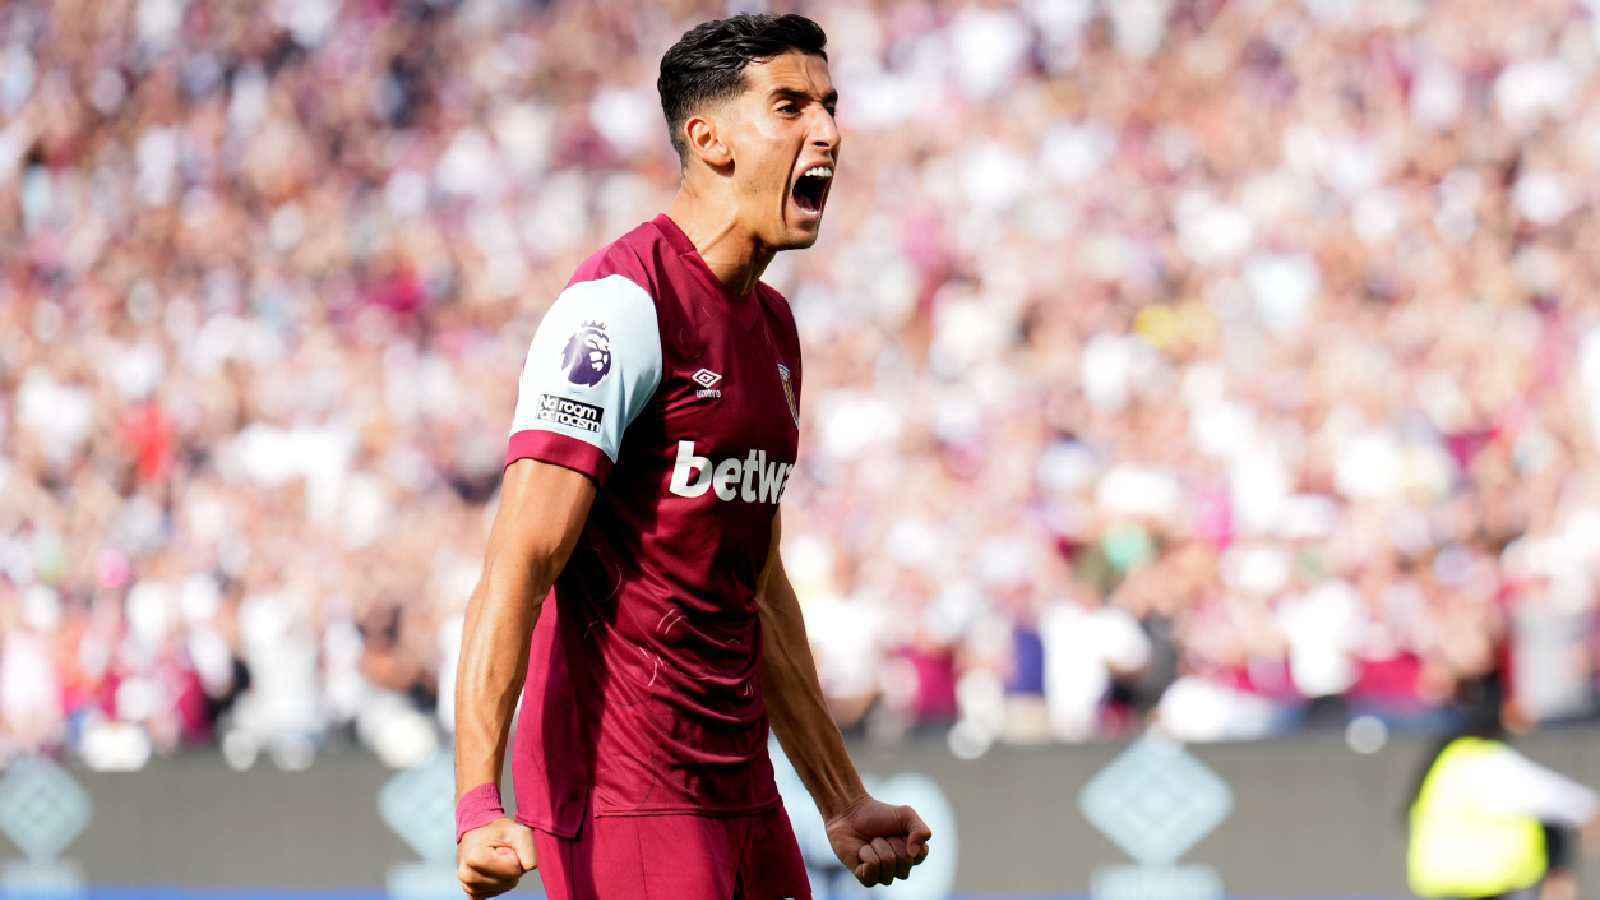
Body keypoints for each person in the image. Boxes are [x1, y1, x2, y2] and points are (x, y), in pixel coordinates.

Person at [451, 14, 933, 900]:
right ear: (709, 139)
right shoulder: (618, 308)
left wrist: (840, 797)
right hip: (622, 791)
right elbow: (519, 561)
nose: (827, 131)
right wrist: (478, 801)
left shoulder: (774, 328)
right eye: (790, 107)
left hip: (740, 785)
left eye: (829, 106)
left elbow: (757, 586)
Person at [1407, 680, 1598, 900]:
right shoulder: (1488, 761)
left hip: (1442, 887)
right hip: (1486, 888)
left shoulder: (1452, 758)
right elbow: (1572, 803)